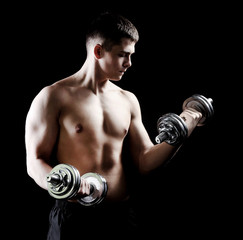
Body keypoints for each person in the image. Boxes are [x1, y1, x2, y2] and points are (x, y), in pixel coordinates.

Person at [25, 12, 202, 239]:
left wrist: (180, 134)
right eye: (122, 55)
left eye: (131, 55)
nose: (129, 63)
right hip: (74, 217)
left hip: (120, 217)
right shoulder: (53, 97)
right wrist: (69, 186)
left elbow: (145, 161)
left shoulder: (128, 100)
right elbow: (35, 161)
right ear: (98, 51)